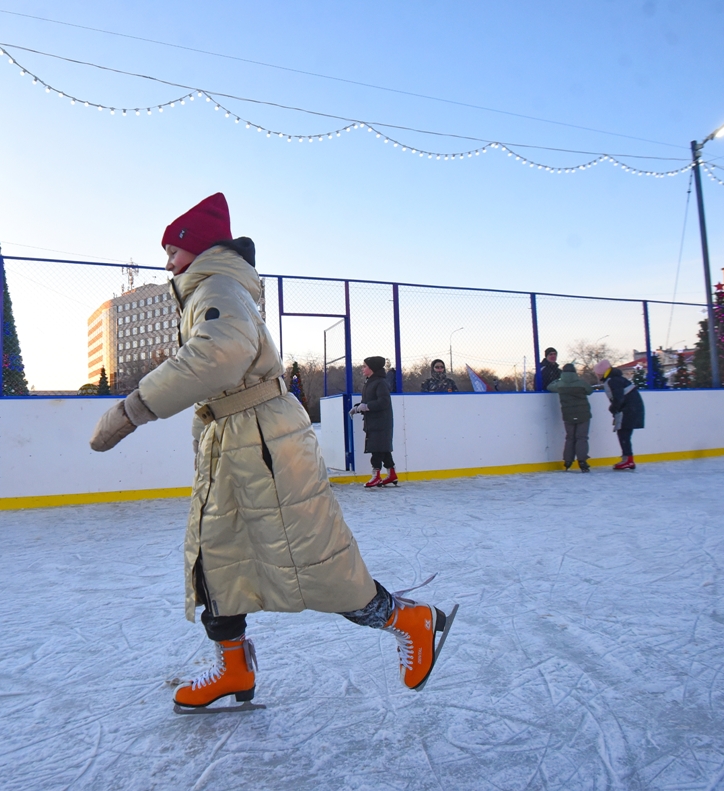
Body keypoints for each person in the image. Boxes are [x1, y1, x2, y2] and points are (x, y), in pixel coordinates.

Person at [89, 193, 454, 711]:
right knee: (214, 560)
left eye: (173, 250)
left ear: (199, 249)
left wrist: (133, 408)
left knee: (316, 563)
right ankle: (233, 666)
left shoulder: (217, 287)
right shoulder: (210, 291)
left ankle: (408, 620)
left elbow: (218, 355)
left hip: (264, 447)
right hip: (236, 443)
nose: (167, 261)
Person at [350, 356, 397, 488]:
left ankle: (376, 476)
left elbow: (384, 402)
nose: (362, 368)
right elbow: (369, 400)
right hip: (374, 421)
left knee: (376, 450)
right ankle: (391, 473)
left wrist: (366, 407)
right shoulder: (370, 382)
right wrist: (358, 407)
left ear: (372, 368)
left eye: (365, 366)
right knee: (383, 449)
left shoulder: (380, 383)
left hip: (381, 422)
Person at [595, 359, 644, 470]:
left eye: (598, 373)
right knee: (624, 434)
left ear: (602, 372)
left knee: (623, 434)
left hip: (628, 410)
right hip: (633, 408)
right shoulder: (617, 379)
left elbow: (618, 398)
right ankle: (627, 458)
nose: (597, 376)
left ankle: (628, 460)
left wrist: (613, 409)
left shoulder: (612, 381)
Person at [547, 362, 591, 472]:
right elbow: (590, 390)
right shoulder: (581, 383)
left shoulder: (560, 384)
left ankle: (567, 461)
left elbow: (549, 386)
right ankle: (582, 461)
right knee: (582, 438)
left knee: (570, 437)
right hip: (583, 414)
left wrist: (558, 380)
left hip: (568, 415)